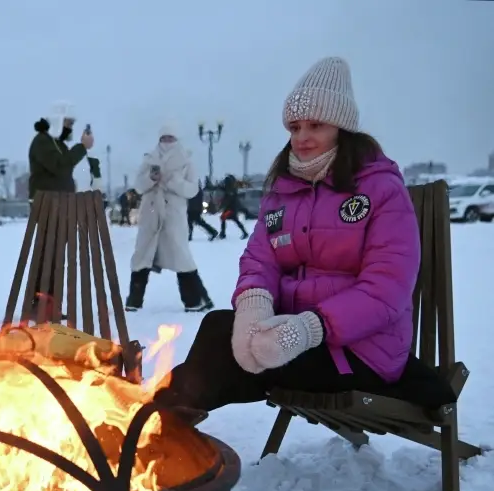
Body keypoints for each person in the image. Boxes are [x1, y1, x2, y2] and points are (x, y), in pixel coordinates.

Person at [153, 56, 456, 414]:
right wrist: (254, 305)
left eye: (315, 125)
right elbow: (259, 259)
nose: (302, 138)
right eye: (294, 127)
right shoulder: (285, 189)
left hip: (361, 350)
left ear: (342, 128)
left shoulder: (380, 190)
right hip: (289, 334)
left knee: (220, 359)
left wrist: (310, 328)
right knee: (220, 326)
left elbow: (386, 288)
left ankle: (158, 423)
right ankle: (163, 419)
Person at [125, 123, 214, 313]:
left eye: (170, 138)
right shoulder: (149, 159)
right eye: (164, 138)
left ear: (177, 139)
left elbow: (192, 190)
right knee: (142, 256)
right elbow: (138, 186)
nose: (167, 142)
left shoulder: (186, 161)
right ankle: (133, 301)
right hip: (150, 214)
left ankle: (195, 300)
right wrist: (151, 178)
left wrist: (174, 181)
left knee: (181, 257)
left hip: (173, 215)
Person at [28, 101, 94, 317]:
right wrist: (82, 147)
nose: (69, 128)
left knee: (55, 256)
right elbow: (60, 165)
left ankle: (49, 305)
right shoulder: (42, 143)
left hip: (60, 206)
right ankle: (39, 304)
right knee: (47, 255)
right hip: (48, 206)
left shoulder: (55, 143)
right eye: (67, 123)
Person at [218, 174, 249, 240]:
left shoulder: (230, 190)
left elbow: (227, 199)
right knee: (234, 220)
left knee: (223, 218)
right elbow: (224, 190)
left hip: (230, 209)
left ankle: (223, 234)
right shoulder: (231, 188)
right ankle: (244, 233)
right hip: (231, 208)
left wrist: (222, 205)